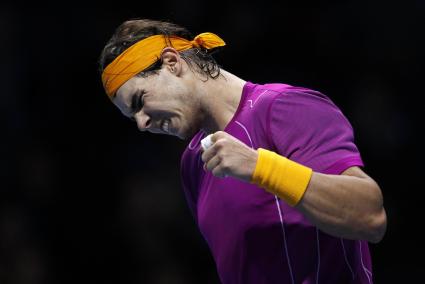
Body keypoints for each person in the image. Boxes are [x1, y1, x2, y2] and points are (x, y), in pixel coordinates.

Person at [98, 18, 387, 284]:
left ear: (172, 62)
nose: (141, 123)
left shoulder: (284, 107)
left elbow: (369, 216)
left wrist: (260, 166)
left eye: (139, 101)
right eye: (131, 116)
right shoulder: (193, 164)